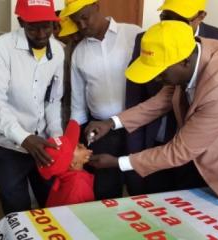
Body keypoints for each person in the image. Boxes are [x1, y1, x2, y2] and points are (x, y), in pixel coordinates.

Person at [86, 21, 218, 216]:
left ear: (184, 62)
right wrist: (111, 123)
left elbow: (180, 150)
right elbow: (160, 101)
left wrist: (119, 163)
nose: (155, 80)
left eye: (159, 73)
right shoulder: (194, 54)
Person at [125, 0, 218, 194]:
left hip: (202, 155)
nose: (170, 25)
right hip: (157, 144)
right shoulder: (147, 39)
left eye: (180, 20)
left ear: (200, 17)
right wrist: (132, 155)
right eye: (165, 17)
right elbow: (136, 98)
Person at [0, 0, 64, 214]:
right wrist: (24, 138)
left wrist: (57, 137)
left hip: (44, 144)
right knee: (17, 209)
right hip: (8, 146)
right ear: (21, 21)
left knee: (51, 203)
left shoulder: (57, 51)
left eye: (46, 26)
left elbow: (53, 99)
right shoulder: (3, 47)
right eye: (33, 27)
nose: (40, 34)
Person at [60, 0, 142, 199]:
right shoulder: (79, 53)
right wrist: (71, 143)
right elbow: (78, 105)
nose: (81, 26)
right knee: (105, 190)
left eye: (84, 18)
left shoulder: (134, 35)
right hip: (102, 133)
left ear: (96, 7)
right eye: (76, 21)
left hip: (137, 128)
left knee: (140, 185)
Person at [38, 120, 94, 207]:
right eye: (79, 147)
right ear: (72, 164)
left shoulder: (65, 179)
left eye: (79, 143)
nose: (83, 145)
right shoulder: (77, 189)